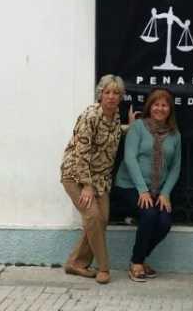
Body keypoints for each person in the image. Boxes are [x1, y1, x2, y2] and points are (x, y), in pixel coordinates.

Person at [110, 87, 181, 282]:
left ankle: (138, 258)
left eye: (164, 105)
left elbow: (175, 167)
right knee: (149, 214)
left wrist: (165, 193)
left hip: (157, 190)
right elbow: (130, 158)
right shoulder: (138, 127)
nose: (160, 108)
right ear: (150, 107)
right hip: (130, 186)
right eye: (156, 104)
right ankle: (137, 263)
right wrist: (142, 190)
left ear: (170, 109)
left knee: (164, 222)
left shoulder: (175, 134)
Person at [60, 74, 126, 285]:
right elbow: (81, 153)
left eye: (116, 93)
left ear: (121, 97)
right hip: (75, 175)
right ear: (100, 94)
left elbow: (111, 133)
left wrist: (129, 127)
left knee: (101, 220)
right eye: (107, 92)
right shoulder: (90, 116)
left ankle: (76, 263)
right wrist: (86, 185)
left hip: (101, 179)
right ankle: (104, 268)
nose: (111, 96)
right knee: (93, 217)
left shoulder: (115, 116)